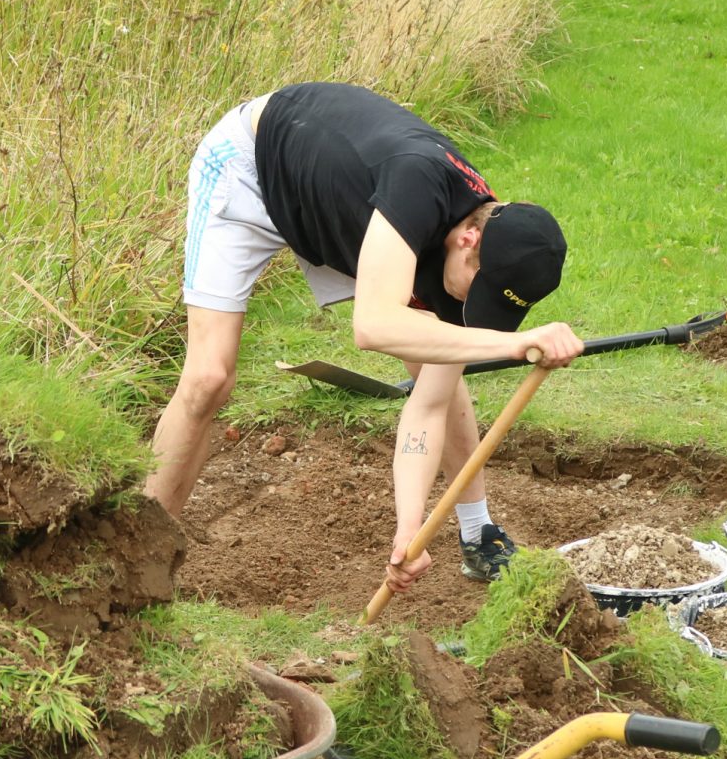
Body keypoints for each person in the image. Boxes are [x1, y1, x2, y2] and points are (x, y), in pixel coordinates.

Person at [146, 82, 582, 593]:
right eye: (478, 289)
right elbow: (372, 326)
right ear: (469, 239)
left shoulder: (480, 245)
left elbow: (428, 406)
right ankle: (143, 555)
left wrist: (408, 530)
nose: (473, 308)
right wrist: (513, 344)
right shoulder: (417, 185)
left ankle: (476, 532)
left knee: (438, 364)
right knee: (208, 379)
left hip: (351, 212)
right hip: (254, 169)